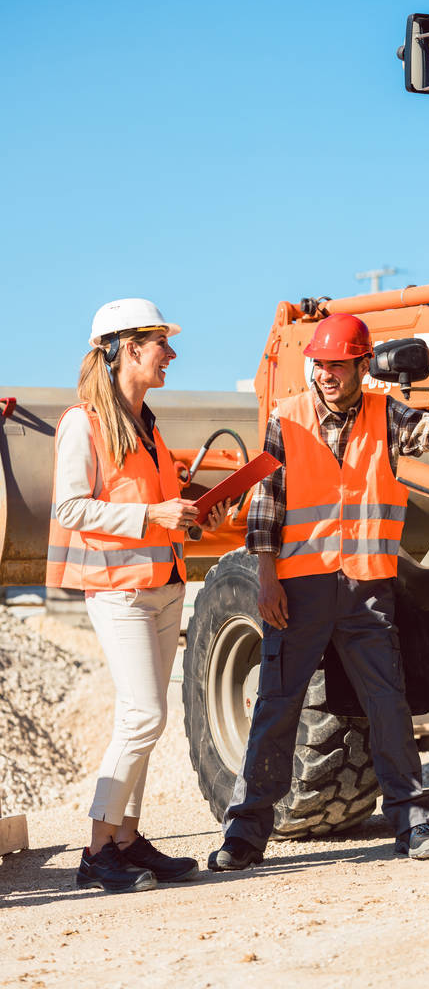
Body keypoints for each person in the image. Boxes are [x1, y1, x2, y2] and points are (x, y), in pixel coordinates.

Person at [208, 312, 429, 871]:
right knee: (276, 708)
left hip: (367, 588)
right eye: (320, 365)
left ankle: (414, 824)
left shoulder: (385, 414)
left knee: (388, 706)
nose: (326, 375)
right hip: (300, 589)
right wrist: (266, 576)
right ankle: (244, 835)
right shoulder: (287, 418)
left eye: (338, 365)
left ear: (362, 366)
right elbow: (267, 506)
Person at [46, 297, 228, 893]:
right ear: (128, 348)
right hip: (117, 589)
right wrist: (154, 511)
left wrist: (194, 509)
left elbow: (153, 507)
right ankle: (97, 850)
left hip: (163, 586)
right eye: (161, 344)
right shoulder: (84, 423)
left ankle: (126, 840)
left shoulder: (146, 423)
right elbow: (71, 507)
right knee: (144, 715)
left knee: (145, 719)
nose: (170, 354)